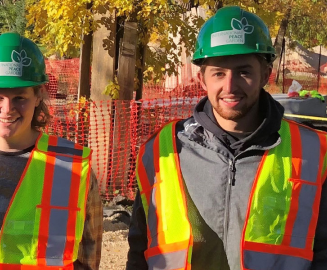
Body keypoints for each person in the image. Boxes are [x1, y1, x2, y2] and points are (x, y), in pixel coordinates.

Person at [126, 6, 327, 270]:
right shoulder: (161, 152)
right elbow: (140, 250)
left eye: (244, 72)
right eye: (219, 73)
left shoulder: (314, 153)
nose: (230, 87)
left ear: (265, 75)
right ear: (202, 79)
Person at [0, 32, 102, 270]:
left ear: (38, 96)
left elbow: (88, 258)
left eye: (19, 97)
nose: (7, 109)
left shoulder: (71, 169)